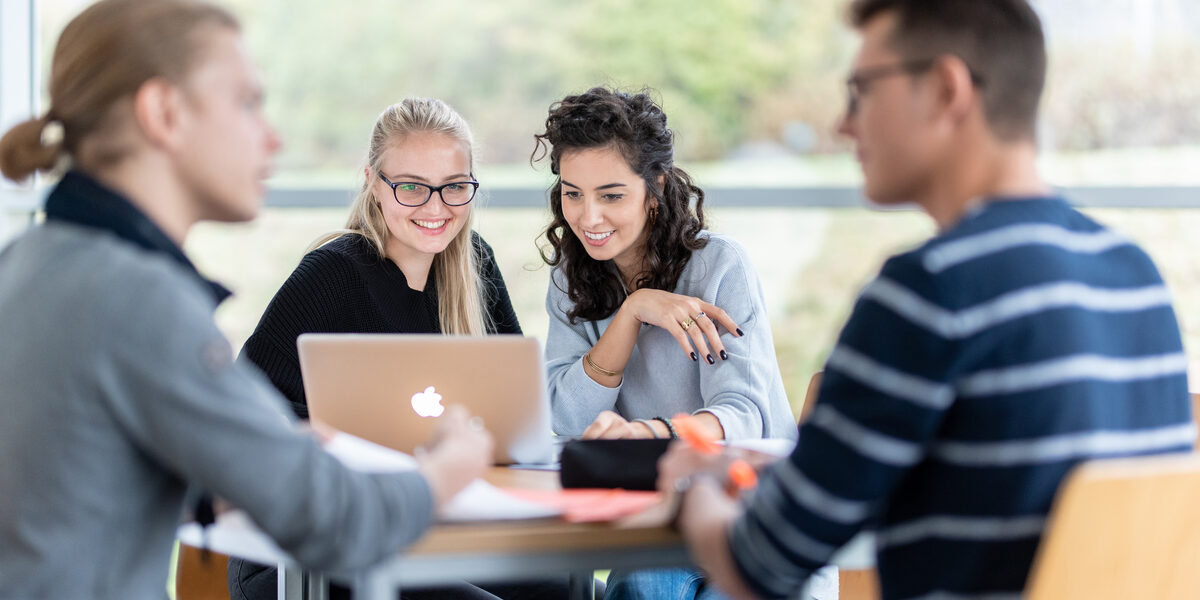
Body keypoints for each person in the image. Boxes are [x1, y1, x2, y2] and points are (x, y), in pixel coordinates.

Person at [660, 1, 1195, 599]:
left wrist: (694, 486)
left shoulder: (929, 291)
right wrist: (801, 477)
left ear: (946, 89)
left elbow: (762, 562)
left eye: (861, 90)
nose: (843, 124)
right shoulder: (1133, 275)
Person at [0, 1, 492, 598]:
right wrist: (448, 468)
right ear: (164, 113)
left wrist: (273, 446)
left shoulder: (31, 262)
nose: (272, 136)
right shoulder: (138, 301)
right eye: (247, 104)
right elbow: (341, 524)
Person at [227, 98, 569, 600]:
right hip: (312, 551)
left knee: (562, 589)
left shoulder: (474, 265)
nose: (436, 208)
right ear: (373, 182)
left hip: (440, 529)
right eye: (411, 187)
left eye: (454, 187)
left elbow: (517, 415)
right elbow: (246, 420)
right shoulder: (332, 274)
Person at [534, 87, 804, 600]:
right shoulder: (572, 277)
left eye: (611, 195)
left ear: (654, 187)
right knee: (639, 583)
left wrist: (650, 434)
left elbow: (743, 415)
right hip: (651, 527)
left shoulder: (720, 267)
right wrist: (633, 312)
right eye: (573, 193)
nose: (588, 217)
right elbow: (569, 420)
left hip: (745, 520)